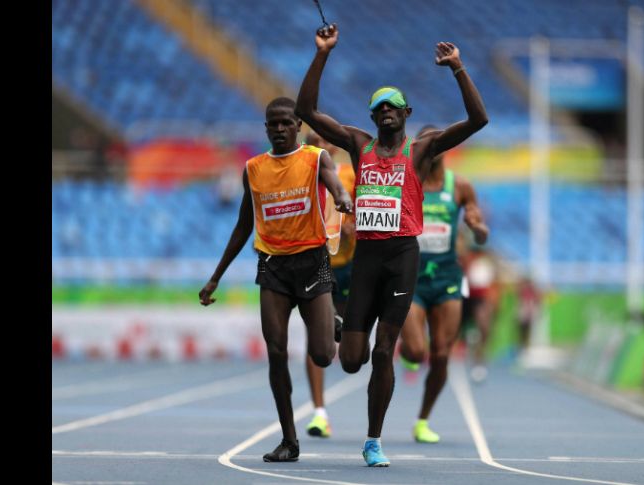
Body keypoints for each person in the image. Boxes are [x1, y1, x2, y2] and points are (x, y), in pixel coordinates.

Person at [295, 23, 487, 467]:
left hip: (403, 257)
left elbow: (479, 120)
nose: (385, 113)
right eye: (378, 108)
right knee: (350, 361)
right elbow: (306, 109)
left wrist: (458, 68)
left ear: (406, 113)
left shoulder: (422, 151)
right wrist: (323, 53)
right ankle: (344, 329)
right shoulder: (358, 146)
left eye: (393, 107)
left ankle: (373, 440)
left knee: (385, 352)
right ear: (371, 117)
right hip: (367, 259)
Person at [198, 97, 352, 463]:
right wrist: (215, 277)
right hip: (273, 267)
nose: (280, 129)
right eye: (273, 124)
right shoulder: (252, 169)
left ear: (298, 126)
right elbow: (242, 226)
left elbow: (334, 185)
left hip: (313, 262)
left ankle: (333, 321)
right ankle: (289, 439)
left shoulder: (316, 159)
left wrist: (344, 197)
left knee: (322, 355)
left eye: (286, 123)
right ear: (266, 128)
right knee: (277, 352)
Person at [398, 124, 489, 443]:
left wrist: (477, 230)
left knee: (440, 354)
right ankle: (406, 347)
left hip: (448, 277)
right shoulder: (408, 183)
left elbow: (478, 224)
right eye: (426, 143)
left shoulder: (460, 186)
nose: (432, 148)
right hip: (413, 276)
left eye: (438, 143)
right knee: (416, 350)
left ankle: (422, 420)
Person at [303, 130, 357, 439]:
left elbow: (364, 210)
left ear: (333, 146)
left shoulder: (350, 173)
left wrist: (353, 225)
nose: (319, 147)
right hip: (315, 266)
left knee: (351, 350)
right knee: (316, 340)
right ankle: (319, 412)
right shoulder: (301, 175)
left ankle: (340, 325)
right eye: (313, 143)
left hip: (349, 265)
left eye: (324, 142)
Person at [458, 238, 504, 382]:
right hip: (464, 297)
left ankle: (479, 360)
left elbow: (496, 283)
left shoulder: (488, 261)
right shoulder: (465, 258)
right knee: (453, 328)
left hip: (481, 298)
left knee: (484, 328)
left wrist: (495, 303)